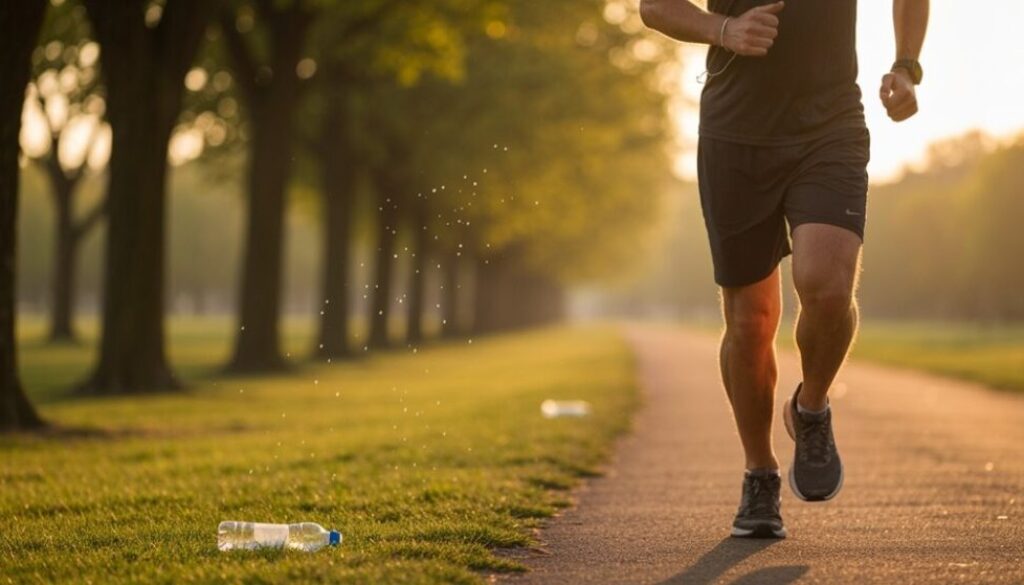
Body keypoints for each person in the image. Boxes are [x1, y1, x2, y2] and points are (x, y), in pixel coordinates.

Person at [639, 0, 929, 538]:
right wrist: (723, 29)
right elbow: (654, 7)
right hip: (734, 135)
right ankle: (759, 473)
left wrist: (906, 65)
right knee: (751, 322)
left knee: (827, 285)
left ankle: (811, 407)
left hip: (830, 126)